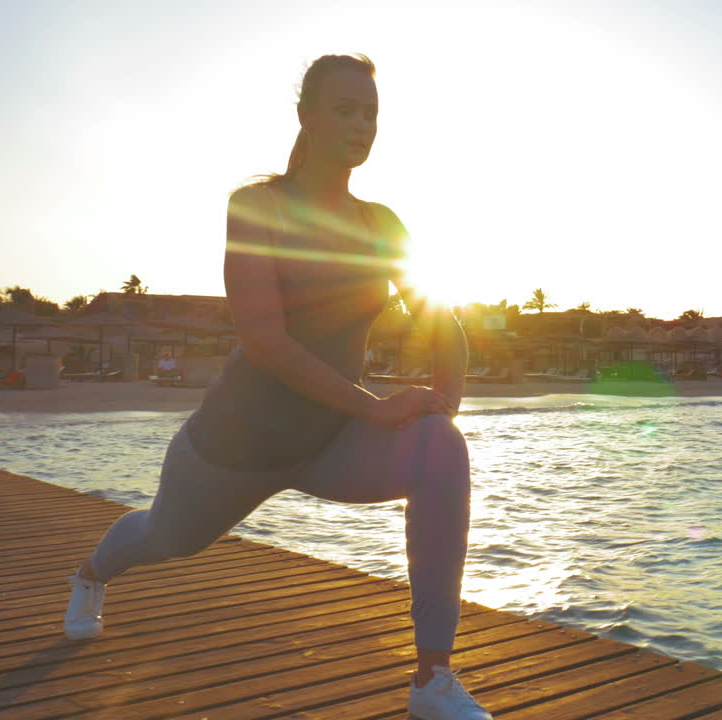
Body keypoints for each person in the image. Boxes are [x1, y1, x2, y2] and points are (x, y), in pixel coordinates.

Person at [62, 53, 489, 720]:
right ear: (307, 118)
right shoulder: (256, 206)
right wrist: (376, 409)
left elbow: (444, 325)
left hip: (328, 439)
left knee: (443, 450)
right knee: (169, 539)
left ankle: (431, 678)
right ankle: (90, 576)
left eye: (371, 112)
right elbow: (267, 343)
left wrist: (444, 411)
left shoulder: (382, 225)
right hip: (235, 444)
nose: (361, 124)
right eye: (345, 109)